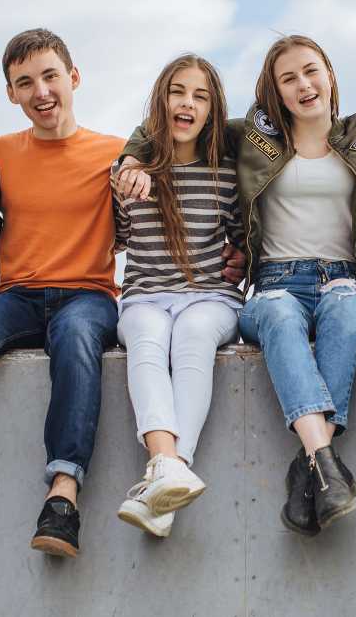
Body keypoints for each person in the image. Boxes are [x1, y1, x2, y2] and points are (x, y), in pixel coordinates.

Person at [116, 34, 356, 536]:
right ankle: (325, 458)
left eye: (311, 71)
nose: (303, 85)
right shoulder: (251, 138)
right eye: (288, 79)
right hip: (275, 283)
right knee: (280, 317)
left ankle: (313, 463)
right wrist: (131, 158)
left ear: (329, 74)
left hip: (344, 278)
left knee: (348, 312)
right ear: (275, 92)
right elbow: (165, 124)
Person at [0, 29, 243, 559]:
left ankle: (63, 499)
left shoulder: (115, 154)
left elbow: (166, 181)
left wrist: (234, 253)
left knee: (78, 341)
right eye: (24, 83)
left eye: (51, 76)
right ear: (11, 93)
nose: (41, 91)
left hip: (87, 294)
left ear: (73, 78)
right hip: (16, 294)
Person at [113, 54, 244, 538]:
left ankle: (165, 468)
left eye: (200, 96)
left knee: (191, 335)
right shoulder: (125, 173)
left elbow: (242, 243)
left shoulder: (226, 175)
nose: (187, 103)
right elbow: (118, 238)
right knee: (147, 336)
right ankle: (168, 480)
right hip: (144, 295)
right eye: (178, 92)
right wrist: (132, 179)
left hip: (211, 297)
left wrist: (243, 260)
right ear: (161, 101)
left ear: (213, 110)